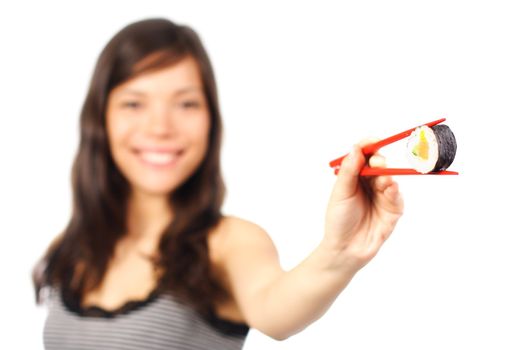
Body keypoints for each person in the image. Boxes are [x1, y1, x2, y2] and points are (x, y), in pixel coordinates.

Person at [33, 18, 404, 350]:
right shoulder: (72, 248)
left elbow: (278, 311)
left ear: (211, 120)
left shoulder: (229, 244)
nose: (160, 127)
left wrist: (340, 253)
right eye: (134, 104)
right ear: (101, 119)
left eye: (186, 104)